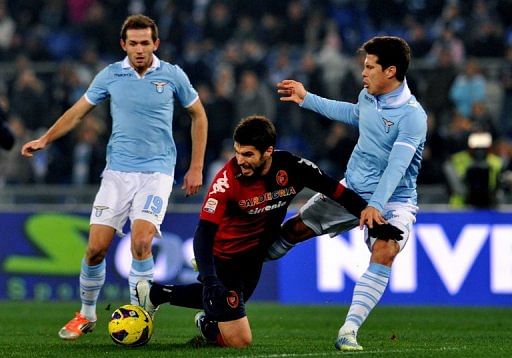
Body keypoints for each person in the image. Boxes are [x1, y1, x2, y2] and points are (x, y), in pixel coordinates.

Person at [135, 115, 403, 348]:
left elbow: (338, 192)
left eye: (247, 154)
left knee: (236, 299)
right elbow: (203, 233)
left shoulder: (293, 168)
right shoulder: (226, 182)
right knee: (240, 339)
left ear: (268, 152)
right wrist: (209, 277)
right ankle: (208, 323)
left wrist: (375, 220)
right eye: (237, 152)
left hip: (256, 255)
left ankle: (158, 294)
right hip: (225, 257)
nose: (240, 160)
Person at [20, 14, 208, 340]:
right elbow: (78, 112)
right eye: (133, 43)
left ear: (155, 44)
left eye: (145, 43)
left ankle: (142, 315)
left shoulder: (172, 75)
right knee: (95, 249)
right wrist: (45, 139)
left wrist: (196, 167)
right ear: (123, 44)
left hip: (156, 172)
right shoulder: (110, 75)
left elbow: (199, 115)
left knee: (141, 241)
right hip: (117, 173)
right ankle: (86, 314)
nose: (139, 49)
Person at [272, 36, 427, 351]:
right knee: (291, 231)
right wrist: (306, 98)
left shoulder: (412, 116)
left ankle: (348, 330)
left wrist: (376, 206)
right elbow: (353, 114)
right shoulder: (369, 97)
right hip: (351, 189)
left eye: (370, 67)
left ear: (391, 71)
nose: (364, 72)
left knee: (385, 250)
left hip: (393, 201)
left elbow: (397, 166)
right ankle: (222, 260)